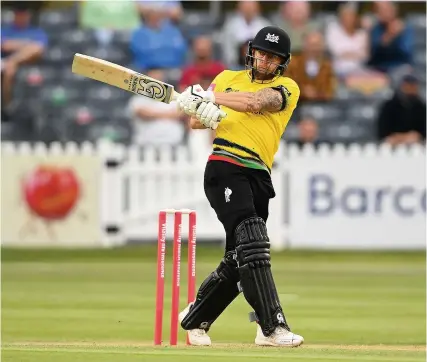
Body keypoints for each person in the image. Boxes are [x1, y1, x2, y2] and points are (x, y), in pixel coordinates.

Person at [175, 26, 304, 347]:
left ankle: (194, 318)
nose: (264, 60)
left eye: (272, 56)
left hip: (259, 173)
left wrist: (210, 97)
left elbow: (258, 102)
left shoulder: (287, 87)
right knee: (253, 243)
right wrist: (201, 108)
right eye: (261, 52)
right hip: (225, 167)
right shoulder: (227, 76)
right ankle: (272, 327)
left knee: (240, 255)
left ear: (281, 62)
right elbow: (195, 121)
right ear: (251, 51)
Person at [377, 74, 426, 145]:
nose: (411, 89)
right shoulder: (390, 106)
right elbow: (382, 128)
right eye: (408, 86)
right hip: (392, 142)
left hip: (415, 143)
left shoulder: (420, 106)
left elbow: (423, 129)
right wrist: (397, 137)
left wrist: (416, 136)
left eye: (413, 86)